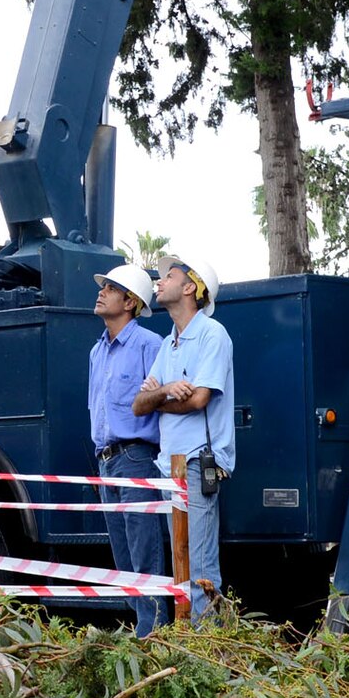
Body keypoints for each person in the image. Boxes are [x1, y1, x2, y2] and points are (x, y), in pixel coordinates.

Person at [133, 251, 234, 621]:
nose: (159, 282)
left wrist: (158, 396)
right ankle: (194, 650)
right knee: (182, 562)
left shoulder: (212, 335)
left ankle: (208, 651)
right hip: (170, 464)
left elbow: (199, 399)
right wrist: (165, 392)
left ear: (191, 287)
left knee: (200, 564)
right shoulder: (168, 342)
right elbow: (139, 405)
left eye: (169, 276)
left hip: (195, 460)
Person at [88, 262, 168, 635]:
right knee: (123, 558)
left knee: (143, 553)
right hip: (106, 461)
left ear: (131, 301)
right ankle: (145, 630)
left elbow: (163, 405)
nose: (101, 292)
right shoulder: (96, 352)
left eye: (110, 288)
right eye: (102, 287)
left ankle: (153, 638)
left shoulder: (149, 345)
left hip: (137, 457)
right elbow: (96, 409)